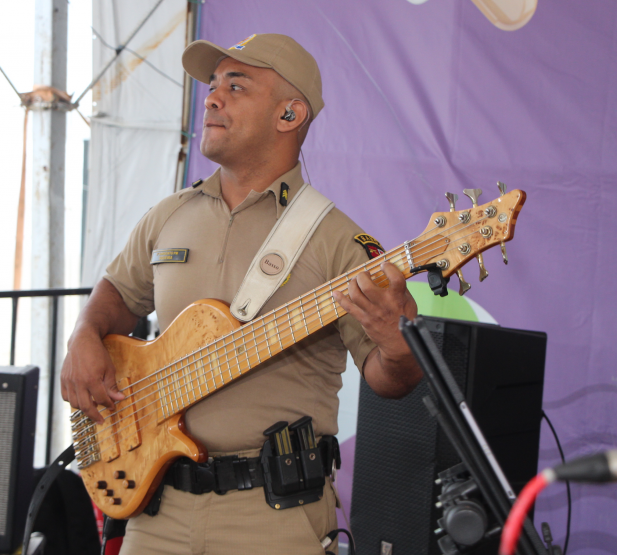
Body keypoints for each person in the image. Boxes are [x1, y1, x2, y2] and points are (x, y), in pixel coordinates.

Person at [60, 34, 422, 554]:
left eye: (236, 85)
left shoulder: (339, 240)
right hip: (156, 509)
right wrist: (84, 334)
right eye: (212, 85)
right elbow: (116, 292)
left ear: (289, 115)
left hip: (274, 516)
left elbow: (391, 381)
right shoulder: (169, 215)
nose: (211, 97)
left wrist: (398, 343)